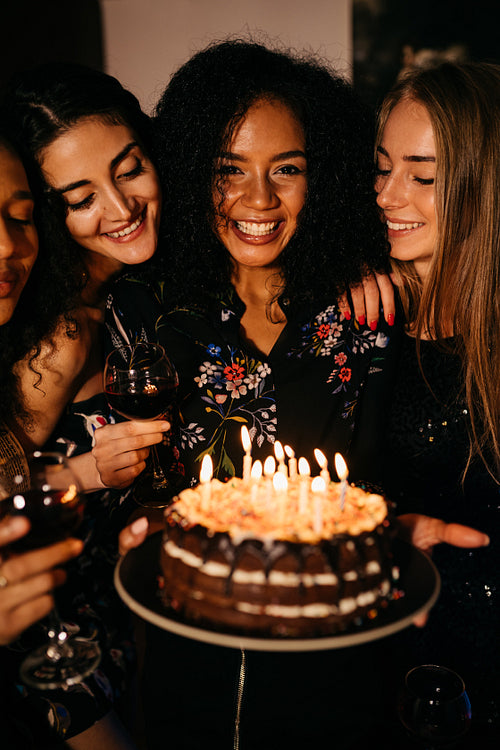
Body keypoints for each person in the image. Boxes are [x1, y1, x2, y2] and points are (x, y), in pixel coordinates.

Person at [100, 39, 401, 750]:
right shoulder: (143, 314)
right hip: (187, 675)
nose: (258, 200)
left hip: (343, 683)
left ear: (320, 178)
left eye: (286, 171)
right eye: (227, 171)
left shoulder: (361, 314)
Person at [0, 63, 166, 748]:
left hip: (140, 615)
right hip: (58, 644)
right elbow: (7, 502)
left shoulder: (146, 290)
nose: (120, 208)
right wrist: (85, 476)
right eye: (79, 196)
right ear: (49, 208)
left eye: (129, 170)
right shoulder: (61, 340)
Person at [374, 60, 500, 743]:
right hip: (382, 666)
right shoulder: (364, 313)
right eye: (383, 166)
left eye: (423, 176)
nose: (389, 195)